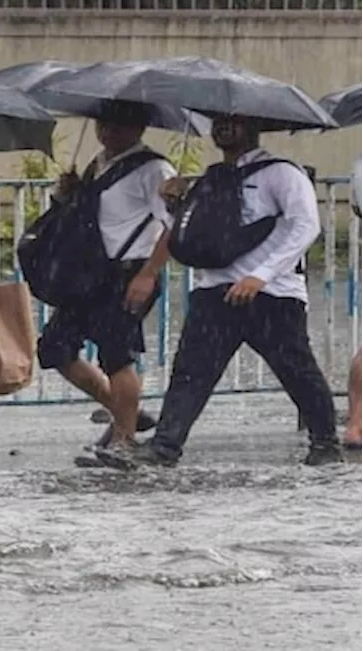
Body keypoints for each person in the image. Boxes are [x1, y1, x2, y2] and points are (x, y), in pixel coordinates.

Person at [98, 114, 342, 469]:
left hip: (271, 295)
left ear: (254, 127)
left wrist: (261, 276)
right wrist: (171, 206)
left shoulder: (282, 173)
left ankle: (325, 442)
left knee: (296, 370)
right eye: (220, 122)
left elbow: (306, 225)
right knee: (191, 372)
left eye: (235, 122)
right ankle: (165, 446)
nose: (225, 128)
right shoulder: (211, 178)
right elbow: (192, 236)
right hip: (215, 290)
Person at [39, 102, 174, 466]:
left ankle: (123, 440)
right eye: (104, 124)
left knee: (117, 357)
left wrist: (148, 274)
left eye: (120, 125)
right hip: (89, 273)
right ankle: (123, 410)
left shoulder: (154, 169)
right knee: (55, 348)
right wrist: (70, 191)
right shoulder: (98, 164)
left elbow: (173, 227)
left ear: (139, 128)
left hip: (128, 272)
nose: (109, 132)